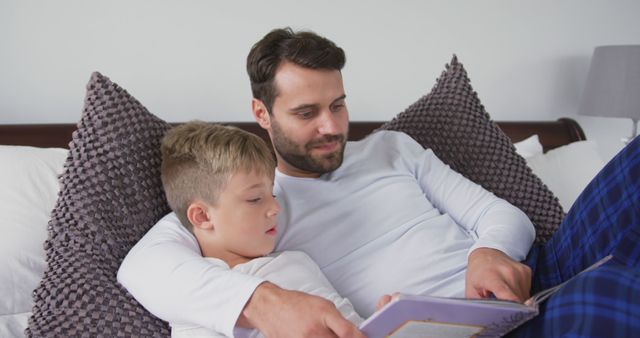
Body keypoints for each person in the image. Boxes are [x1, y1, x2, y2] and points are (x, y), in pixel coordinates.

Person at [119, 28, 640, 337]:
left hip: (530, 277)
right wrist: (265, 302)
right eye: (307, 112)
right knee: (606, 291)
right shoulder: (248, 204)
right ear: (262, 112)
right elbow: (142, 267)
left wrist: (490, 252)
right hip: (453, 330)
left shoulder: (393, 148)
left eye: (338, 104)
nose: (332, 127)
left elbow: (503, 216)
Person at [143, 121, 363, 338]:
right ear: (202, 216)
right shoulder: (199, 307)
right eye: (255, 199)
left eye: (272, 194)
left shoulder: (296, 261)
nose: (275, 208)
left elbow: (352, 328)